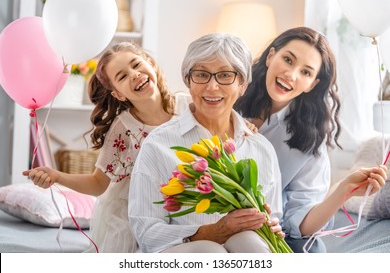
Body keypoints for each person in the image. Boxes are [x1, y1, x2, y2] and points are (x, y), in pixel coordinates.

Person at [234, 26, 388, 252]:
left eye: (306, 72)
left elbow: (300, 225)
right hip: (211, 219)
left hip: (267, 233)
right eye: (287, 59)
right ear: (270, 56)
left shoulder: (307, 142)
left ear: (312, 84)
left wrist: (343, 190)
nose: (291, 74)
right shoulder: (229, 98)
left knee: (312, 249)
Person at [128, 33, 285, 253]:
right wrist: (212, 232)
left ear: (243, 85)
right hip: (177, 252)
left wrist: (269, 227)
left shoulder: (260, 148)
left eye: (225, 75)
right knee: (210, 253)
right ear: (188, 81)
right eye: (201, 74)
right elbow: (146, 233)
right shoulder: (159, 144)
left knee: (251, 243)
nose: (212, 87)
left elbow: (274, 217)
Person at [23, 42, 176, 253]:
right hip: (134, 213)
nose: (134, 74)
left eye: (136, 64)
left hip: (183, 204)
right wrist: (57, 176)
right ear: (118, 95)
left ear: (150, 63)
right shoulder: (123, 128)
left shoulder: (188, 108)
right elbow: (97, 183)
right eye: (122, 77)